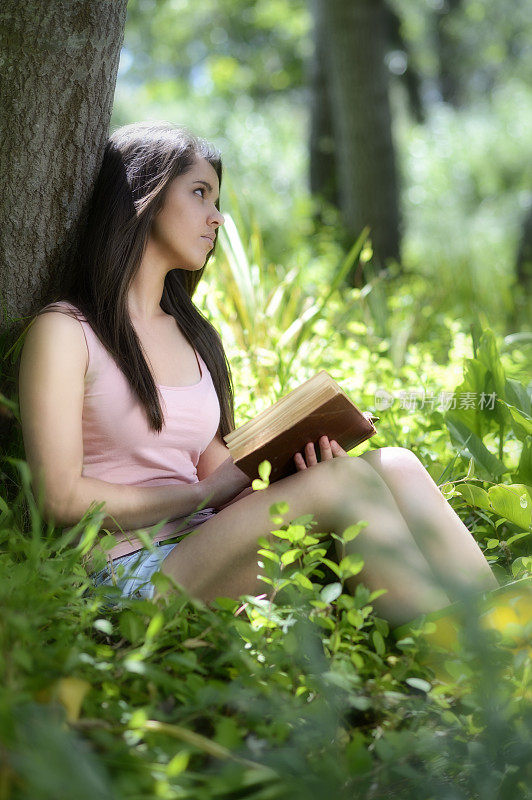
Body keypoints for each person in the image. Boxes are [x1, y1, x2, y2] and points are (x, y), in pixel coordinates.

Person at [18, 121, 498, 629]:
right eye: (200, 194)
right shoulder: (65, 332)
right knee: (342, 484)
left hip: (208, 544)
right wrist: (204, 496)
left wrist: (295, 470)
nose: (216, 218)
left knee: (395, 463)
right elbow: (61, 498)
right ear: (146, 196)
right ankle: (460, 660)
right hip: (127, 574)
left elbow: (216, 473)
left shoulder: (192, 335)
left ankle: (496, 627)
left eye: (217, 199)